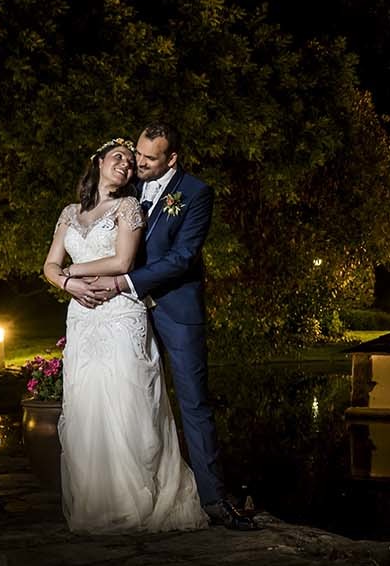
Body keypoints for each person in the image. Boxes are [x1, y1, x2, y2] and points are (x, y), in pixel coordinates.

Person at [71, 123, 257, 530]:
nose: (138, 163)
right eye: (137, 154)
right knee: (132, 400)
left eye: (149, 158)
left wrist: (124, 281)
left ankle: (212, 498)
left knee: (193, 402)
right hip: (125, 315)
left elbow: (183, 257)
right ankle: (137, 492)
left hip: (175, 310)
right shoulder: (130, 188)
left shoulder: (196, 194)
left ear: (171, 159)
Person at [42, 137, 207, 533]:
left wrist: (72, 273)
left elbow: (122, 261)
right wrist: (67, 286)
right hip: (82, 317)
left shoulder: (128, 207)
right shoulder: (68, 213)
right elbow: (49, 264)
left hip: (120, 315)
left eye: (132, 164)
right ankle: (99, 502)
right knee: (88, 403)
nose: (126, 166)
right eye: (119, 158)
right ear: (97, 161)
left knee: (128, 400)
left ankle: (142, 499)